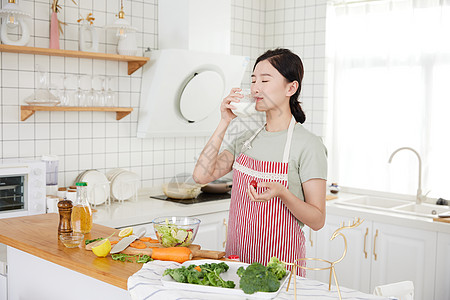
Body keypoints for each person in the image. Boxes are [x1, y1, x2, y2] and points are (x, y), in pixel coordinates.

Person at [193, 48, 327, 273]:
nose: (256, 88)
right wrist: (224, 121)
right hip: (238, 260)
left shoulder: (308, 145)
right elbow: (201, 176)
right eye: (253, 80)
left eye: (265, 80)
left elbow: (317, 219)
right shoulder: (245, 140)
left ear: (291, 88)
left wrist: (283, 193)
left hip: (280, 268)